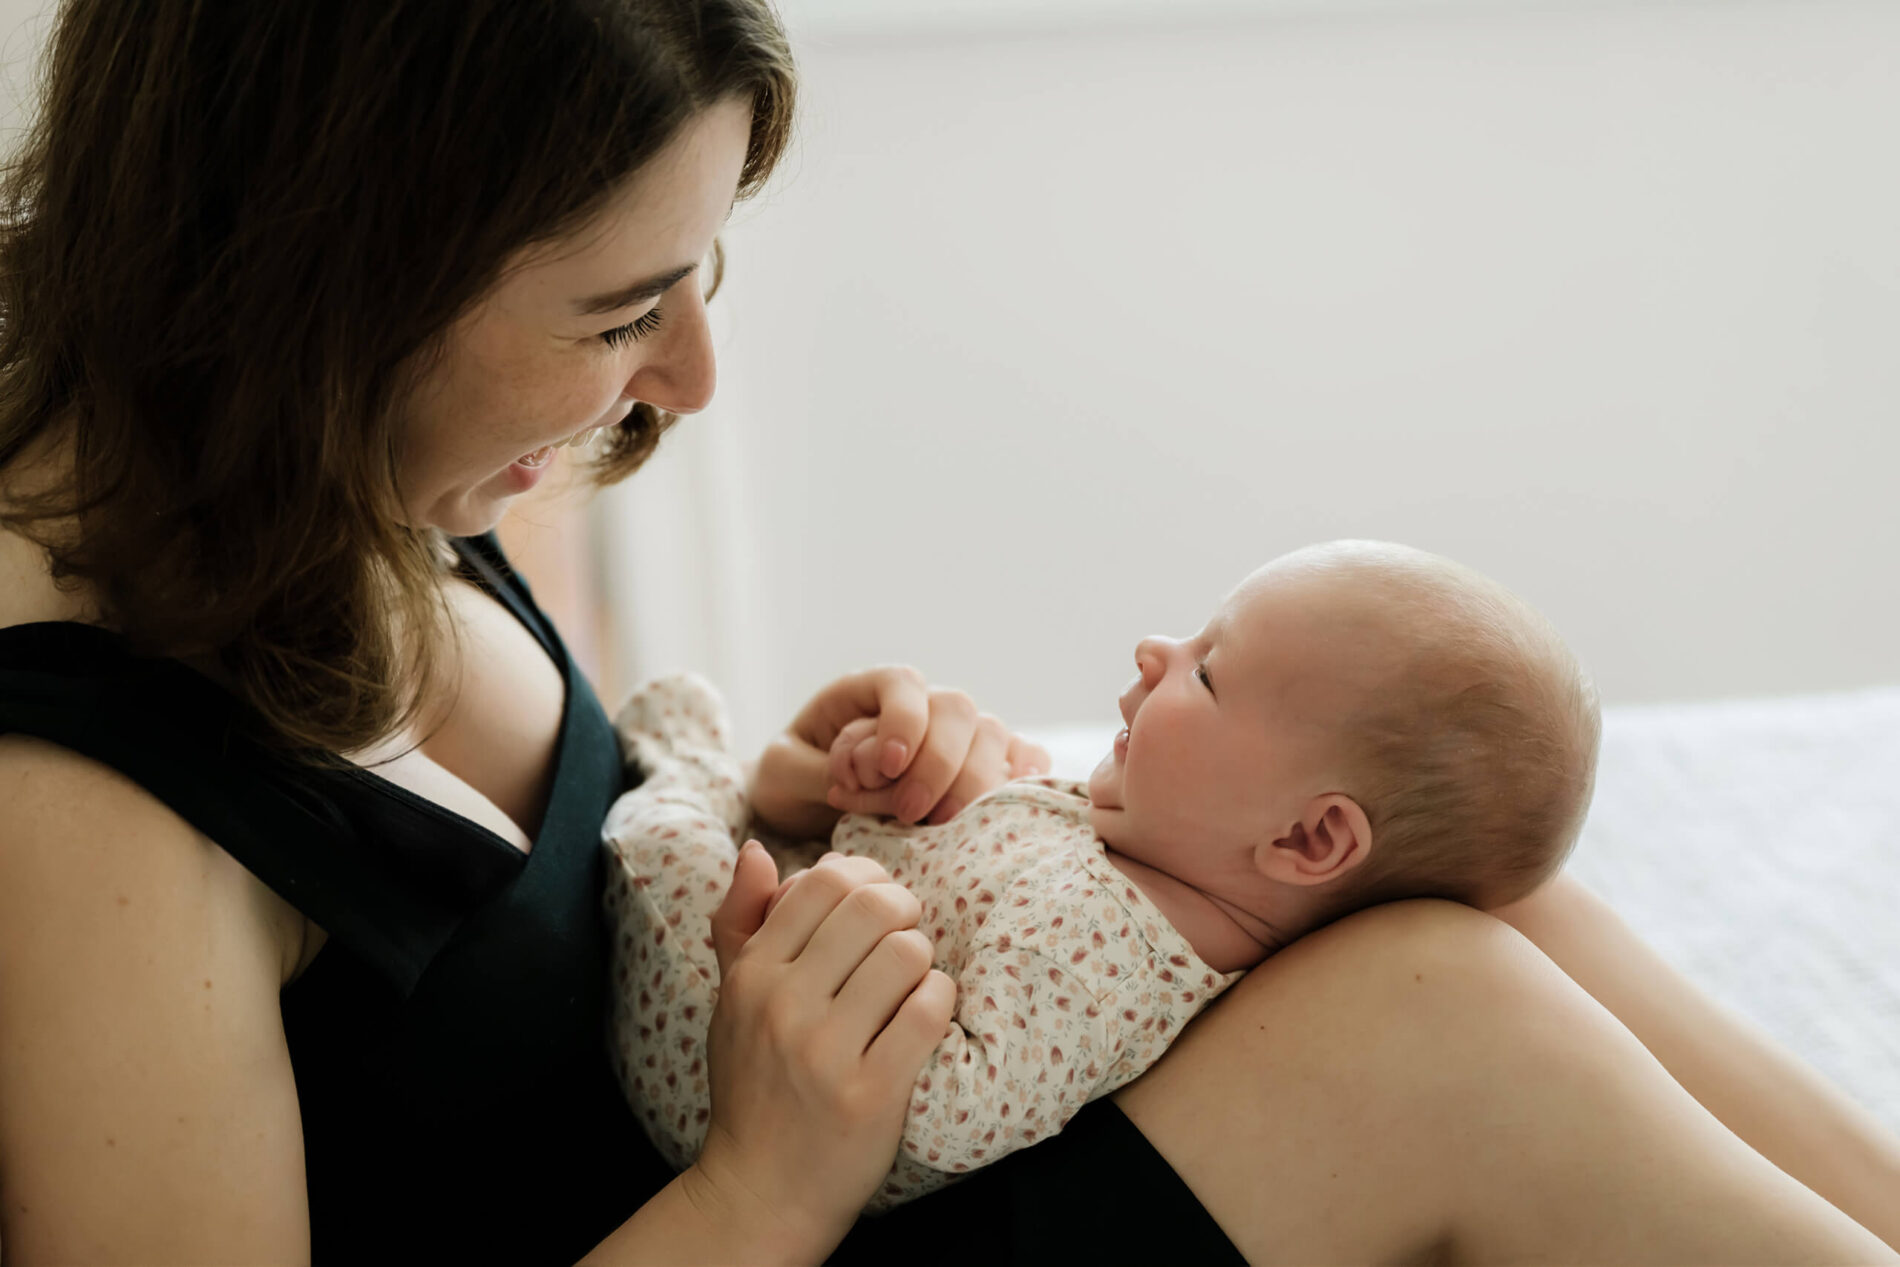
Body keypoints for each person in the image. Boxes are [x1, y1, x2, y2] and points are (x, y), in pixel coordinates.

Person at [0, 2, 1894, 1264]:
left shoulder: (330, 461)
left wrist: (786, 797)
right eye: (619, 312)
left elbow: (504, 905)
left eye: (702, 278)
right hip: (748, 1222)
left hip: (799, 1143)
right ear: (330, 285)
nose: (694, 377)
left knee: (1456, 869)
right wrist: (761, 1184)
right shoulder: (89, 821)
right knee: (1437, 1017)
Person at [607, 539, 1601, 1208]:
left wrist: (828, 965)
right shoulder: (1154, 837)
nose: (1157, 649)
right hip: (786, 1005)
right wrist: (903, 799)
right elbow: (995, 853)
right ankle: (706, 777)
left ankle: (680, 765)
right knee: (742, 822)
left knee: (661, 846)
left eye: (1208, 671)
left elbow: (948, 1114)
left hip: (728, 1079)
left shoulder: (1107, 967)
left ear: (1305, 843)